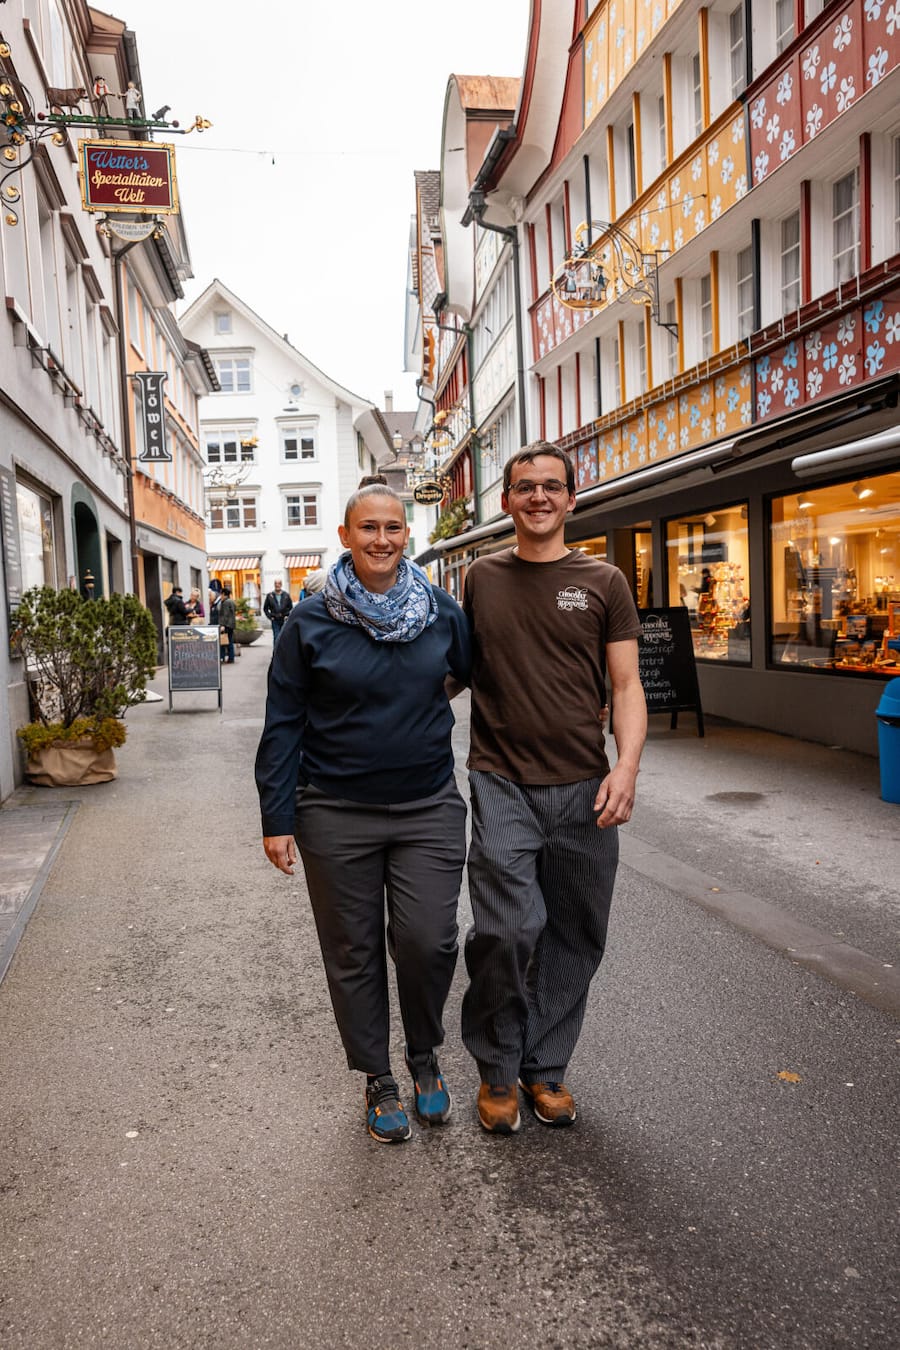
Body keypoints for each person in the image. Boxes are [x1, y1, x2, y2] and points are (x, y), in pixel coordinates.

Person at [255, 483, 470, 1144]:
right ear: (345, 537)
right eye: (368, 528)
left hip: (428, 804)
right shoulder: (310, 622)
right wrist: (276, 815)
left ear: (408, 535)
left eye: (394, 528)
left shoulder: (440, 611)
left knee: (429, 940)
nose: (382, 539)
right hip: (334, 811)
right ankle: (378, 1077)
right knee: (352, 951)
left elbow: (463, 672)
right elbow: (284, 720)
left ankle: (424, 1055)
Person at [460, 441, 647, 1134]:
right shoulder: (481, 576)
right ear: (506, 501)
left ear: (573, 498)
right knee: (508, 931)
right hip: (502, 779)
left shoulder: (605, 582)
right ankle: (498, 1068)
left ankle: (545, 1068)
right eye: (524, 486)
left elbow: (625, 685)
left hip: (585, 787)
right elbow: (454, 668)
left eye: (551, 486)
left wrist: (625, 766)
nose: (538, 496)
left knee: (576, 932)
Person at [263, 579, 293, 644]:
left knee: (284, 637)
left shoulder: (286, 595)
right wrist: (270, 617)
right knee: (276, 637)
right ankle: (276, 653)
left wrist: (287, 616)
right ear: (274, 585)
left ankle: (284, 653)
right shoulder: (270, 596)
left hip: (284, 619)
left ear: (281, 585)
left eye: (279, 583)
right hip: (275, 619)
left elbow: (291, 607)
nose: (277, 585)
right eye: (276, 583)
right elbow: (265, 608)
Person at [218, 586, 236, 664]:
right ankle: (231, 657)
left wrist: (222, 625)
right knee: (230, 641)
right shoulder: (231, 601)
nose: (220, 596)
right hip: (231, 624)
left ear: (224, 594)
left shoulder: (225, 602)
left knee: (225, 641)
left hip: (226, 625)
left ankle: (224, 657)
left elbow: (225, 615)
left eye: (221, 594)